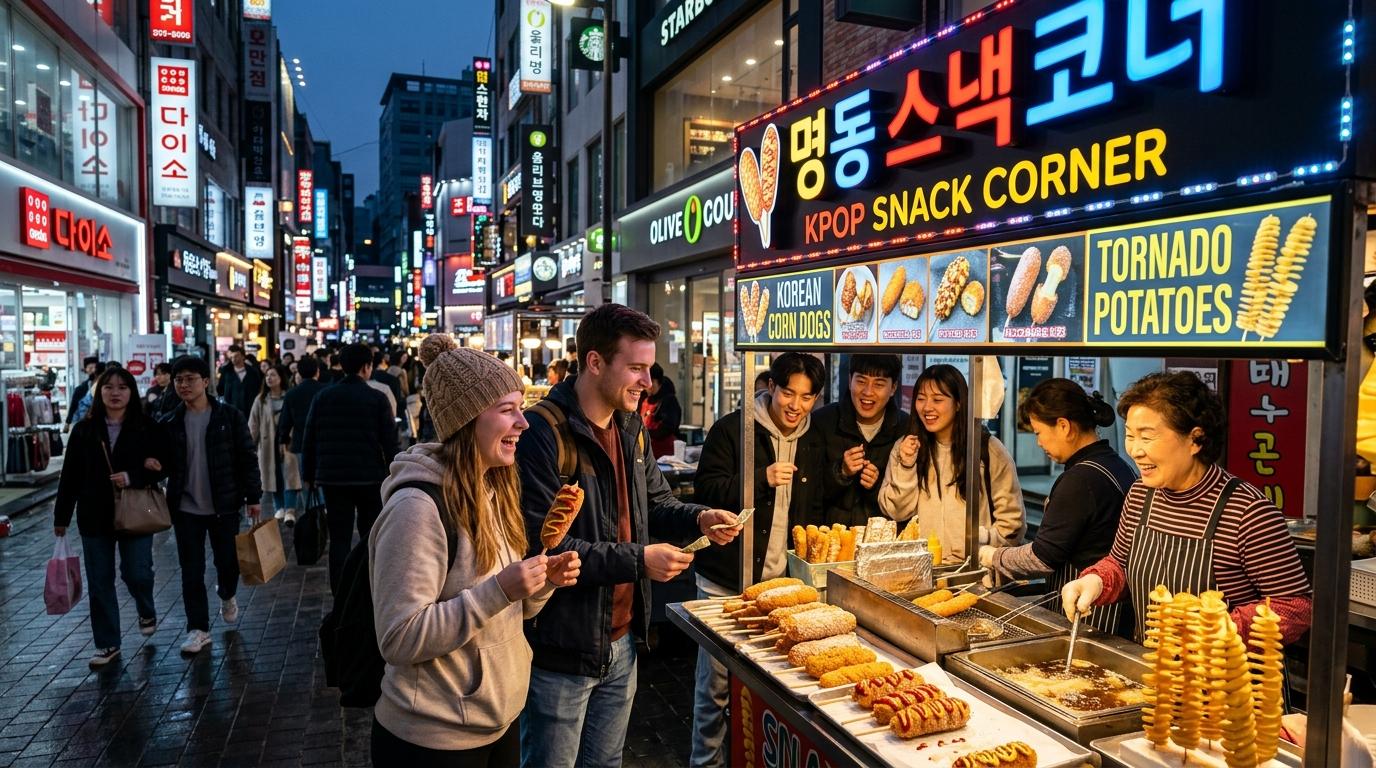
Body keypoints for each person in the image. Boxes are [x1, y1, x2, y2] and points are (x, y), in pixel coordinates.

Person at [516, 304, 738, 768]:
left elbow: (656, 504)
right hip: (561, 646)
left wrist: (699, 518)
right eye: (635, 368)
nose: (647, 382)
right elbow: (547, 546)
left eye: (649, 369)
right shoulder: (543, 432)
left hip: (623, 644)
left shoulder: (630, 427)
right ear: (595, 362)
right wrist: (641, 560)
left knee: (607, 762)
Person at [370, 336, 582, 765]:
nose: (523, 423)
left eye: (520, 408)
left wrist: (541, 583)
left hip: (496, 724)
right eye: (507, 410)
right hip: (432, 739)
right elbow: (399, 638)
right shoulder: (416, 508)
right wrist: (500, 590)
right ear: (467, 421)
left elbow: (512, 613)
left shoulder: (494, 487)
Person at [1060, 372, 1312, 645]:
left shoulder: (1248, 511)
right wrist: (1096, 581)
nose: (1134, 450)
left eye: (1147, 437)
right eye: (1130, 436)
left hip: (1228, 679)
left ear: (1195, 439)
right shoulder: (1141, 495)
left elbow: (1294, 608)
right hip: (1157, 669)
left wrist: (1220, 629)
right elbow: (1120, 564)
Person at [691, 352, 829, 768]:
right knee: (714, 686)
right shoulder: (733, 430)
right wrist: (759, 479)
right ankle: (706, 763)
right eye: (789, 392)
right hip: (725, 581)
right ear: (770, 386)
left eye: (807, 397)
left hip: (783, 589)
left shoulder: (814, 440)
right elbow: (706, 490)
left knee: (770, 683)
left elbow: (816, 508)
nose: (795, 405)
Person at [981, 379, 1137, 635]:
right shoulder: (1117, 464)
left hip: (1088, 614)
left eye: (1039, 433)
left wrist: (993, 556)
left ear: (1064, 426)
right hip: (1114, 610)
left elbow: (1042, 557)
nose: (1039, 443)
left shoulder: (1080, 480)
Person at [54, 367, 169, 668]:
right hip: (94, 514)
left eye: (122, 387)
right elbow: (70, 476)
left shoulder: (146, 426)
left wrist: (134, 475)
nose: (115, 393)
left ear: (132, 392)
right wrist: (61, 516)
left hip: (136, 510)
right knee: (100, 581)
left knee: (137, 572)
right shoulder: (84, 430)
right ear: (99, 392)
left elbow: (165, 465)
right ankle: (107, 644)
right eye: (108, 387)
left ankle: (146, 607)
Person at [163, 355, 261, 655]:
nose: (184, 385)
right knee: (191, 569)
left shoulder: (228, 416)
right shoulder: (171, 420)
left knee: (227, 563)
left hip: (224, 504)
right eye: (179, 380)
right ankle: (198, 629)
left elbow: (247, 457)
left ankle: (227, 593)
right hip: (185, 508)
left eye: (190, 379)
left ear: (206, 382)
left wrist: (253, 497)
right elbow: (162, 459)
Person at [878, 364, 1025, 563]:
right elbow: (896, 512)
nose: (927, 407)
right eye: (921, 399)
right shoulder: (905, 448)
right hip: (922, 571)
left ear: (958, 403)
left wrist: (979, 548)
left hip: (976, 573)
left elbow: (1013, 524)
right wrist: (906, 466)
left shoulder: (987, 449)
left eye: (937, 399)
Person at [302, 343, 399, 593]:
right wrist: (396, 474)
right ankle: (367, 593)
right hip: (369, 478)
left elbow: (309, 437)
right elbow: (390, 442)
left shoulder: (323, 396)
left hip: (333, 479)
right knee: (371, 536)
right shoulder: (377, 399)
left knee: (340, 539)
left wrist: (308, 475)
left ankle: (340, 594)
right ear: (367, 367)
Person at [813, 354, 909, 524]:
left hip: (883, 543)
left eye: (879, 384)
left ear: (893, 388)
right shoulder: (822, 421)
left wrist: (878, 485)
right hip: (832, 539)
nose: (868, 392)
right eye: (861, 381)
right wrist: (840, 471)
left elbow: (910, 500)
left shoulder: (906, 429)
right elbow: (807, 492)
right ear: (850, 380)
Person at [277, 355, 326, 521]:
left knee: (306, 480)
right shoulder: (325, 390)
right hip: (323, 443)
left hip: (300, 444)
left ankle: (310, 514)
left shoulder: (292, 394)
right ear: (317, 371)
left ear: (299, 372)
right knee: (322, 481)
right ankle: (324, 511)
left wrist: (283, 441)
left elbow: (285, 422)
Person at [249, 364, 299, 524]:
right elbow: (254, 424)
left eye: (273, 375)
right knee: (273, 476)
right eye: (267, 375)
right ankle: (280, 507)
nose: (269, 378)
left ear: (281, 378)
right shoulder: (261, 399)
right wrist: (250, 444)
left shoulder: (290, 397)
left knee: (290, 475)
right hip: (267, 445)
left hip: (287, 443)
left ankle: (290, 509)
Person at [641, 363, 682, 459]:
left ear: (655, 381)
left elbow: (668, 427)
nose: (645, 386)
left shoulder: (669, 400)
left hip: (665, 454)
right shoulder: (645, 400)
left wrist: (646, 434)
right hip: (648, 452)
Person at [217, 344, 263, 416]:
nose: (234, 359)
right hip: (232, 410)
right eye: (232, 357)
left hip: (250, 409)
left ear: (243, 356)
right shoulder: (227, 372)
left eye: (236, 356)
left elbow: (258, 388)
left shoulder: (252, 372)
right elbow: (220, 389)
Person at [66, 356, 100, 427]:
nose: (93, 371)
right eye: (90, 368)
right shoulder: (81, 388)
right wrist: (68, 422)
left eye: (95, 368)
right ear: (85, 370)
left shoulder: (104, 386)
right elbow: (73, 405)